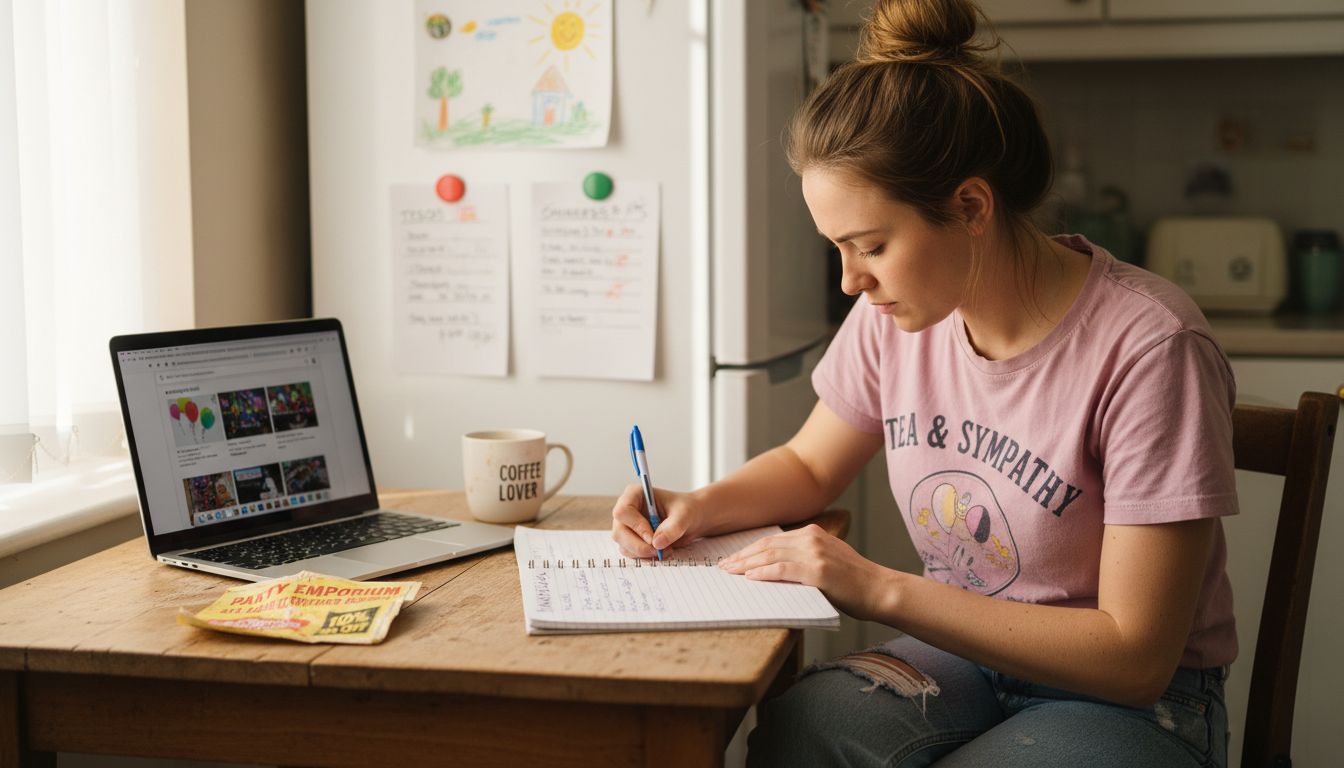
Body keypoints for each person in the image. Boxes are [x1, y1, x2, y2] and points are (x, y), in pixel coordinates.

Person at [608, 0, 1238, 765]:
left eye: (869, 245)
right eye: (838, 248)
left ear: (971, 206)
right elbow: (810, 466)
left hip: (1134, 700)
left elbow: (1133, 657)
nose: (849, 281)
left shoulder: (1148, 346)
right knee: (800, 729)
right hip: (967, 655)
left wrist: (874, 588)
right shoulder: (899, 317)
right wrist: (695, 507)